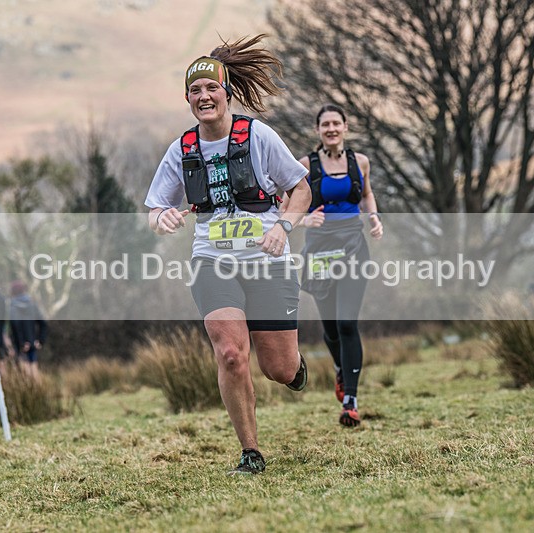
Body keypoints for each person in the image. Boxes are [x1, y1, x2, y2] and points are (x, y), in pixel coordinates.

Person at [144, 34, 312, 475]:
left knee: (277, 367)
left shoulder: (258, 136)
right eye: (195, 91)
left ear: (227, 92)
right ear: (187, 99)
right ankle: (251, 451)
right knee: (232, 355)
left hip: (267, 259)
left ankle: (295, 369)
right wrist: (161, 218)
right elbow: (155, 206)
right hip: (212, 261)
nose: (204, 96)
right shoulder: (181, 150)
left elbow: (300, 188)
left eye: (211, 88)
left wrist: (284, 226)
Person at [286, 104, 383, 427]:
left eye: (336, 123)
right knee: (330, 327)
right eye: (325, 124)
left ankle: (351, 402)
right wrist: (305, 220)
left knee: (346, 323)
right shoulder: (305, 165)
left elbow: (366, 195)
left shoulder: (360, 162)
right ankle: (341, 369)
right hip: (320, 249)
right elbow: (285, 207)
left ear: (345, 126)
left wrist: (373, 217)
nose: (331, 129)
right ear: (318, 130)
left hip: (354, 245)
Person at [9, 280, 48, 379]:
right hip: (33, 342)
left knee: (25, 373)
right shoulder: (32, 305)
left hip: (20, 344)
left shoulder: (13, 307)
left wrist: (22, 342)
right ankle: (38, 392)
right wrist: (40, 340)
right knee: (34, 367)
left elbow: (15, 325)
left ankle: (30, 392)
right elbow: (43, 323)